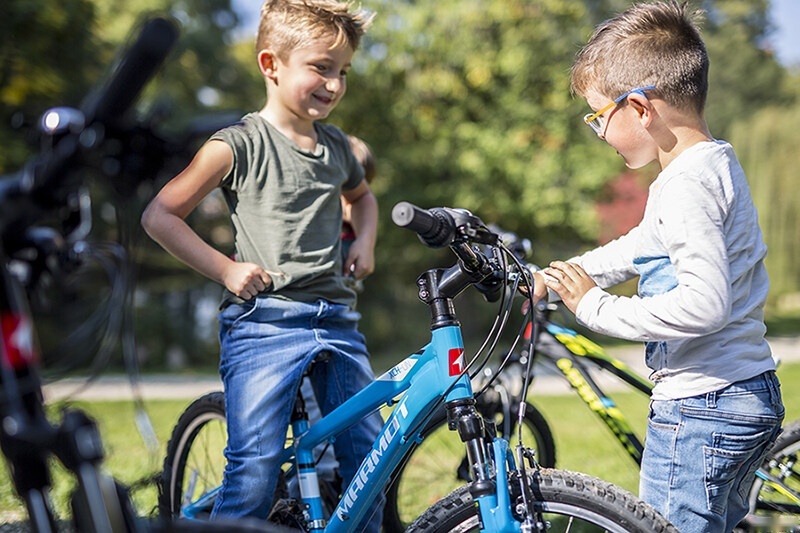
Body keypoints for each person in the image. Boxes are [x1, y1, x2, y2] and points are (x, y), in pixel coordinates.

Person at [530, 2, 785, 531]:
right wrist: (561, 278)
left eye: (600, 117)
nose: (599, 133)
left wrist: (594, 307)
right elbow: (641, 245)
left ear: (641, 108)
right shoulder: (710, 164)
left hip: (701, 406)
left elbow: (704, 304)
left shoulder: (686, 185)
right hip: (744, 392)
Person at [140, 0, 384, 529]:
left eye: (343, 72)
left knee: (369, 459)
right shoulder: (238, 145)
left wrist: (365, 241)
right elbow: (160, 215)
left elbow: (363, 199)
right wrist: (226, 270)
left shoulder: (338, 146)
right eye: (321, 67)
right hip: (265, 323)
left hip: (337, 320)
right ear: (271, 65)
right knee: (254, 469)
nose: (335, 84)